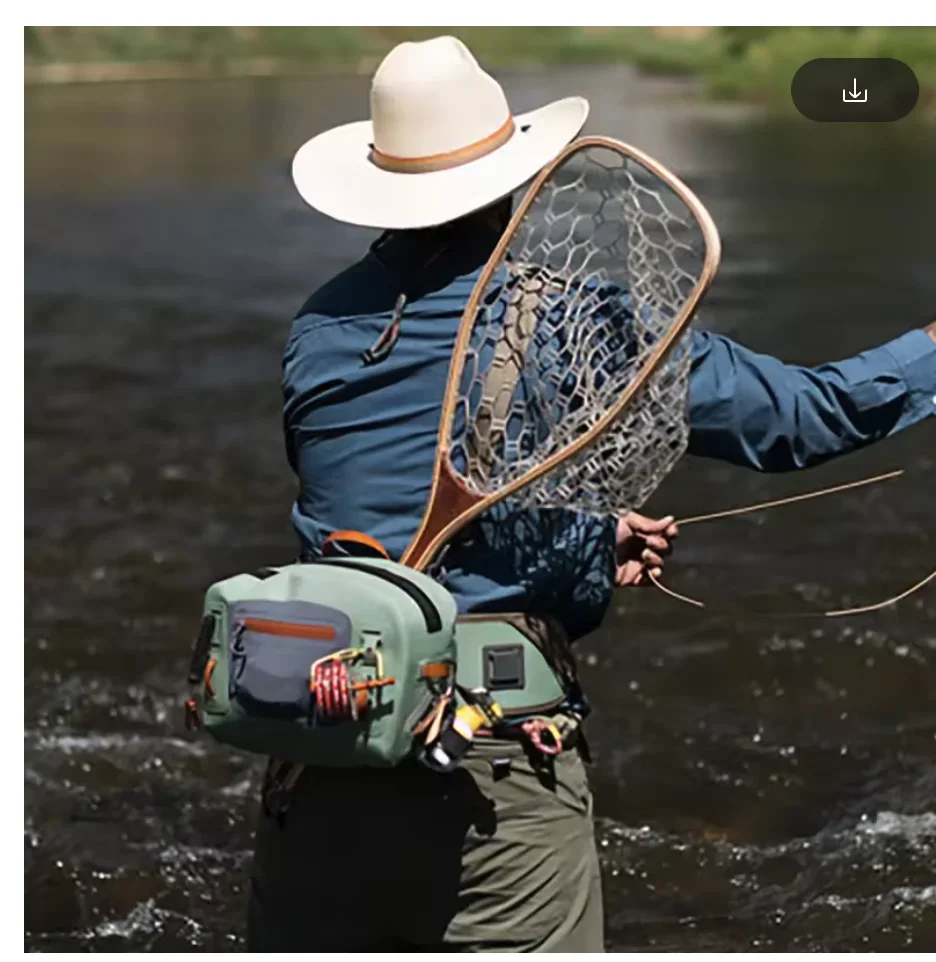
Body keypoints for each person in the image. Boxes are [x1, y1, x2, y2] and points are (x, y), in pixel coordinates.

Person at [247, 36, 936, 952]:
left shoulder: (319, 328)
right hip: (491, 747)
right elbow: (807, 419)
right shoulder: (586, 320)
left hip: (319, 727)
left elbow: (372, 518)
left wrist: (580, 542)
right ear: (518, 182)